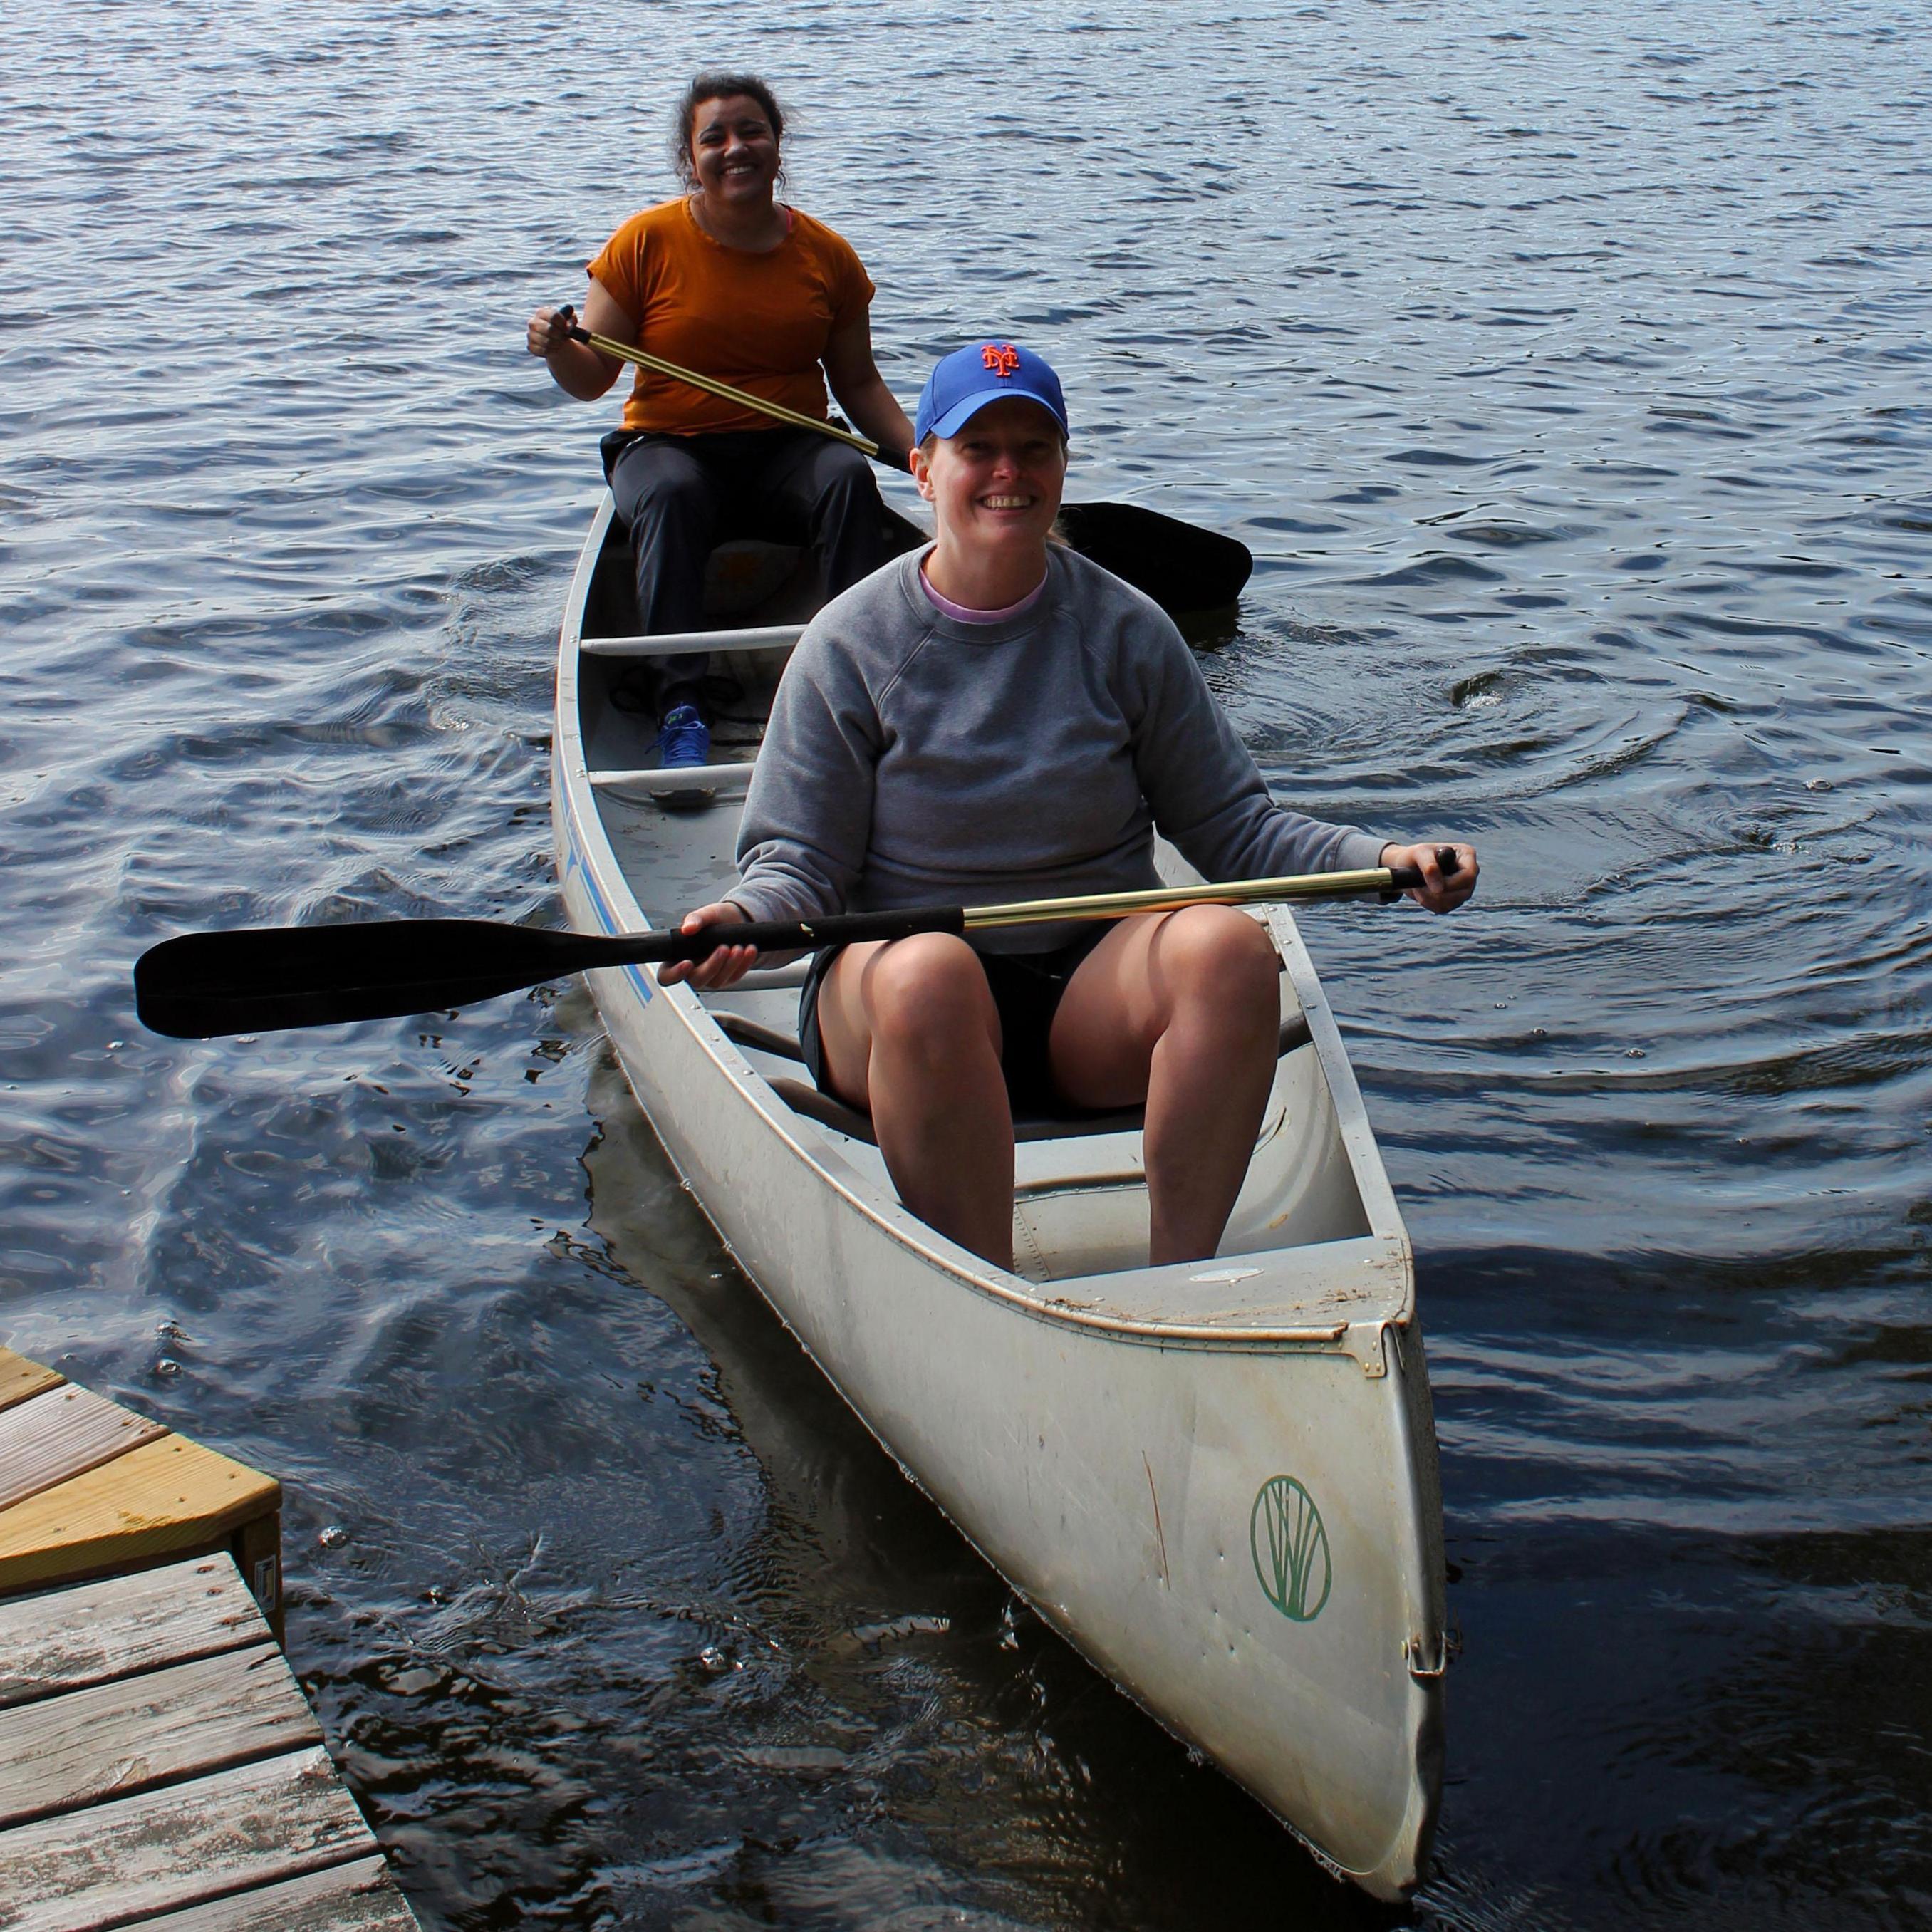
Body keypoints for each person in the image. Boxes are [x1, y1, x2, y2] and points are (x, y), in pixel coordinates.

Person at [660, 341, 1479, 1270]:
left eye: (1034, 447)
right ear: (924, 468)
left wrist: (1383, 862)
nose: (1008, 471)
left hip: (1090, 1004)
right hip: (899, 1007)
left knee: (1228, 947)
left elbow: (1239, 830)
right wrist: (742, 919)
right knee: (933, 973)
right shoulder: (850, 643)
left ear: (1062, 466)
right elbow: (798, 865)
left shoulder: (1128, 630)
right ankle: (985, 1294)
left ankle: (1185, 1280)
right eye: (979, 448)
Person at [525, 72, 915, 788]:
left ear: (776, 144)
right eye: (716, 138)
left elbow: (858, 384)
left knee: (847, 478)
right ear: (691, 157)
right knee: (672, 493)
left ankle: (860, 690)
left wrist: (920, 451)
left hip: (787, 447)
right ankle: (680, 705)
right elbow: (590, 379)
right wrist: (558, 347)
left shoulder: (827, 256)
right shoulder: (644, 243)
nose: (736, 149)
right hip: (668, 446)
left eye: (752, 132)